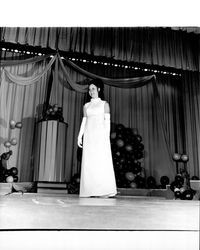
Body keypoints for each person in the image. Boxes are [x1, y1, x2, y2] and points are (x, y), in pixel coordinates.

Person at [77, 79, 117, 198]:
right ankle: (90, 191)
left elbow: (107, 123)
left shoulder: (105, 104)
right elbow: (84, 122)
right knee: (89, 164)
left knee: (101, 162)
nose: (91, 91)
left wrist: (106, 137)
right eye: (89, 90)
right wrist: (80, 136)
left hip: (100, 137)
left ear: (99, 89)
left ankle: (103, 191)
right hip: (89, 137)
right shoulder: (86, 106)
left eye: (93, 89)